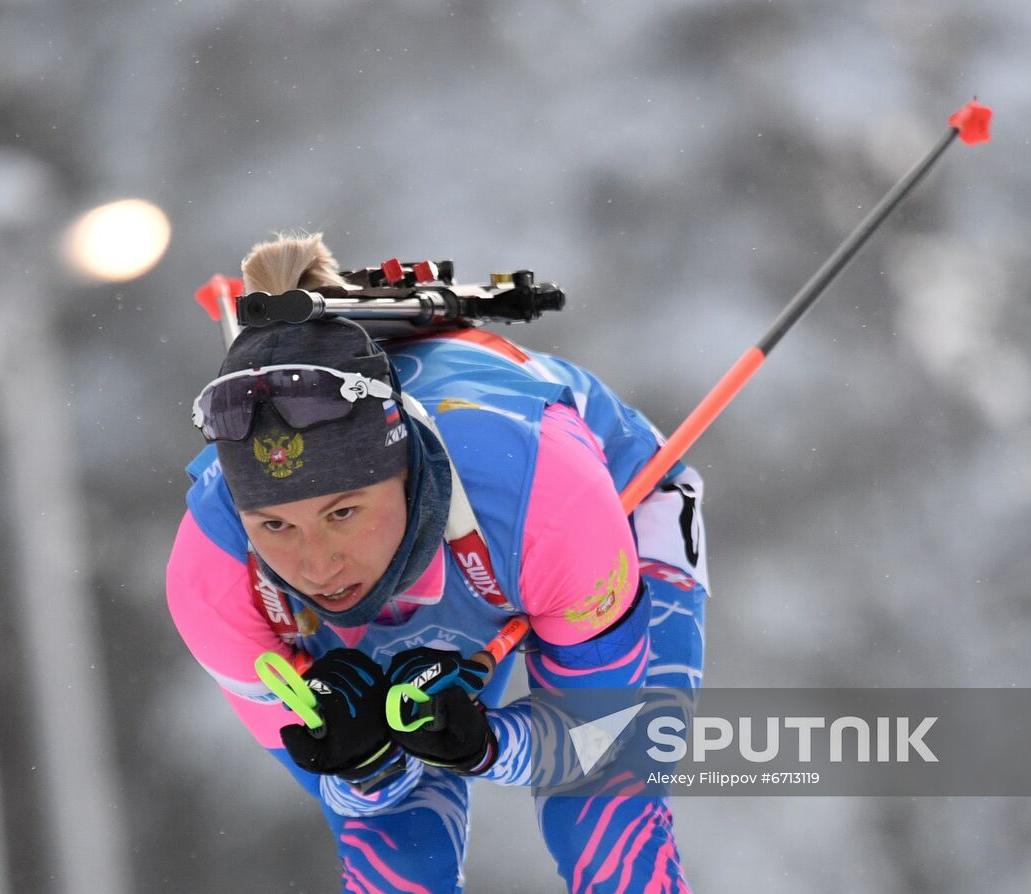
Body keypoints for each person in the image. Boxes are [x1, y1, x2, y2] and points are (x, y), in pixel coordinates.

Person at [166, 232, 709, 893]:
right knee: (402, 855)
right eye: (275, 526)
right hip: (476, 549)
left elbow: (601, 742)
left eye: (343, 513)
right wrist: (366, 767)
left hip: (608, 511)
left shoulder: (547, 497)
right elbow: (353, 800)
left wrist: (485, 743)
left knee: (603, 823)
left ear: (401, 474)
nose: (317, 564)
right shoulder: (214, 578)